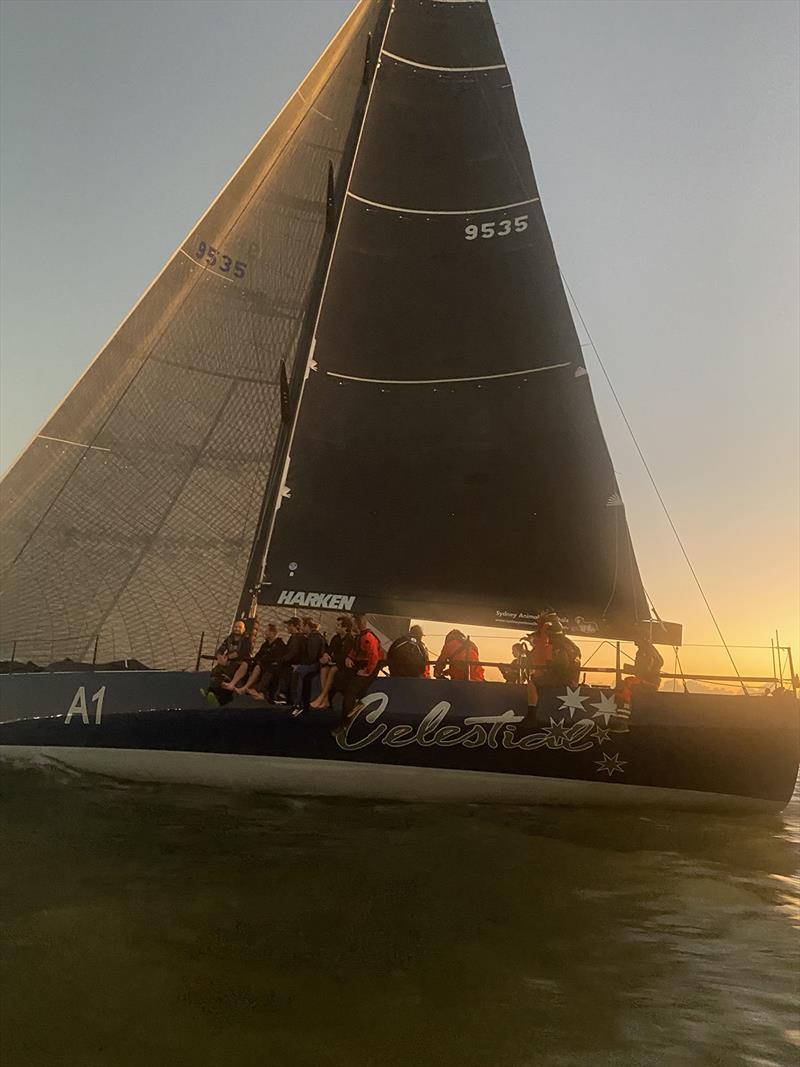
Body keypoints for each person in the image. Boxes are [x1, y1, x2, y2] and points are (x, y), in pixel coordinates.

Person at [336, 613, 383, 724]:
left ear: (357, 624)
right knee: (339, 678)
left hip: (371, 667)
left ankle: (345, 722)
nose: (351, 626)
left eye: (353, 624)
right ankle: (356, 703)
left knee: (351, 691)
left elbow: (374, 657)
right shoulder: (360, 636)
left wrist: (367, 671)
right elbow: (355, 650)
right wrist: (349, 657)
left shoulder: (368, 637)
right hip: (362, 664)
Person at [614, 627, 664, 715]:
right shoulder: (650, 649)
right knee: (628, 681)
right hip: (651, 682)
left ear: (643, 638)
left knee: (627, 683)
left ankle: (623, 710)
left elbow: (644, 670)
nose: (634, 639)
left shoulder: (645, 651)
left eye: (636, 636)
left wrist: (629, 668)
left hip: (649, 682)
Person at [310, 616, 355, 710]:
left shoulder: (350, 639)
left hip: (343, 664)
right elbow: (330, 650)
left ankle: (321, 697)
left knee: (333, 670)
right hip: (335, 662)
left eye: (339, 625)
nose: (336, 627)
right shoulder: (336, 638)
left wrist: (331, 658)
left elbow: (344, 655)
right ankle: (325, 700)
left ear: (345, 628)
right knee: (324, 669)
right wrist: (325, 656)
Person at [236, 623, 285, 700]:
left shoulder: (280, 645)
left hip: (270, 666)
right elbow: (258, 656)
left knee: (258, 668)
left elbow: (277, 658)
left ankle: (246, 688)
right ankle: (243, 686)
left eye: (267, 631)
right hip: (262, 664)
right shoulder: (265, 645)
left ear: (273, 632)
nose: (265, 633)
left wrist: (261, 662)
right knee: (247, 664)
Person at [209, 620, 252, 703]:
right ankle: (210, 692)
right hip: (227, 661)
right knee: (214, 673)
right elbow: (221, 649)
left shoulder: (246, 639)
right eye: (235, 627)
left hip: (239, 662)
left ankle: (219, 697)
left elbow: (242, 653)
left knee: (226, 675)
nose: (237, 629)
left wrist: (227, 657)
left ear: (244, 629)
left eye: (239, 627)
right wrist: (220, 657)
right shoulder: (229, 638)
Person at [290, 617, 327, 714]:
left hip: (315, 664)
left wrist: (299, 665)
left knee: (299, 672)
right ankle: (297, 702)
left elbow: (312, 657)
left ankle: (298, 703)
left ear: (307, 626)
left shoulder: (314, 638)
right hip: (314, 663)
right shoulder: (313, 637)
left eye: (302, 625)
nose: (301, 628)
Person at [274, 617, 306, 704]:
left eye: (289, 625)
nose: (287, 627)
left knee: (284, 671)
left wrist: (282, 660)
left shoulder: (297, 638)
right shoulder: (294, 637)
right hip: (293, 662)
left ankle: (282, 695)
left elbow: (293, 653)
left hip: (295, 663)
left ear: (295, 626)